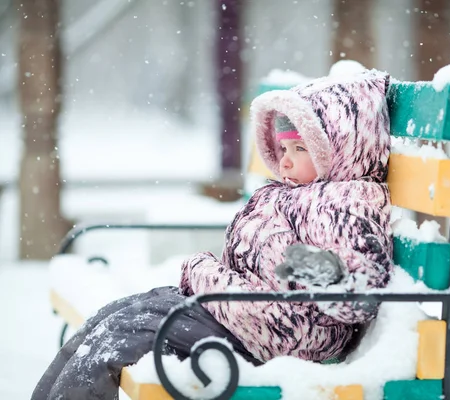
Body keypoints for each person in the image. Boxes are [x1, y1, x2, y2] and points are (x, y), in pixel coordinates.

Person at [32, 69, 393, 399]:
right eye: (283, 148)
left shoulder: (345, 202)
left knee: (121, 335)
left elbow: (360, 293)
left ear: (342, 152)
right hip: (247, 312)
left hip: (279, 331)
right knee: (110, 319)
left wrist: (312, 269)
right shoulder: (298, 194)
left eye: (300, 149)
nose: (284, 160)